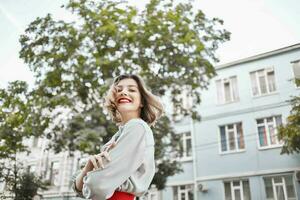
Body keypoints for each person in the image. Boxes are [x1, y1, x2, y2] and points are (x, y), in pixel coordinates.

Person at [71, 74, 163, 200]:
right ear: (113, 100)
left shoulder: (137, 127)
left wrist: (91, 178)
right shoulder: (120, 134)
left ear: (141, 101)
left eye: (131, 89)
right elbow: (80, 188)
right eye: (119, 90)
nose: (123, 92)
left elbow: (97, 187)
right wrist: (89, 167)